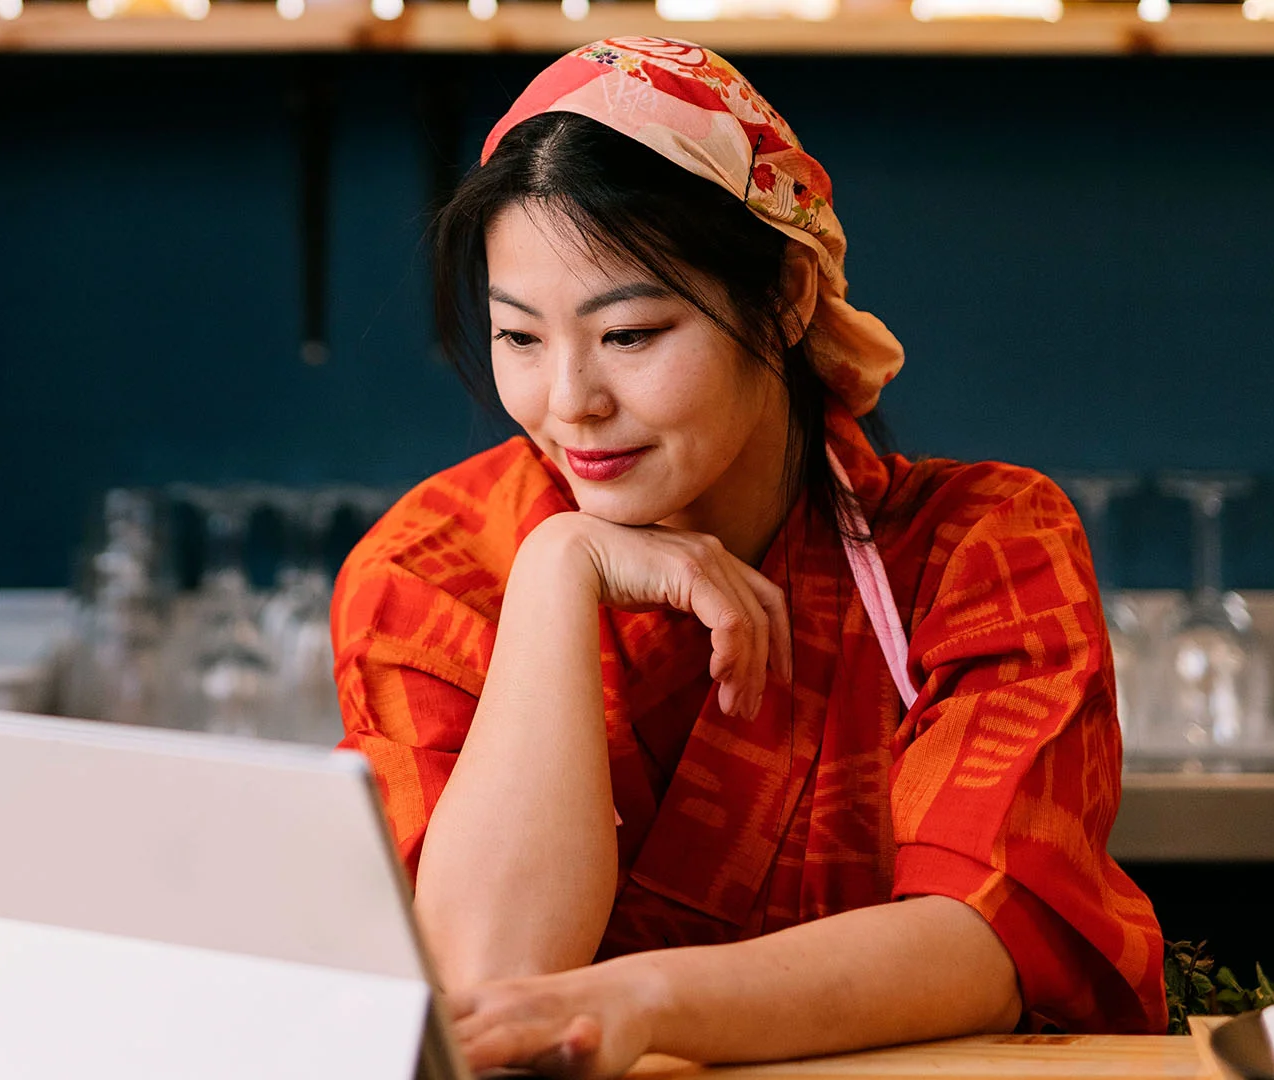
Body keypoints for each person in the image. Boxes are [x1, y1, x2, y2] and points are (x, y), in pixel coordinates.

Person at [330, 37, 1165, 1078]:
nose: (570, 403)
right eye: (520, 339)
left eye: (629, 333)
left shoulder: (984, 545)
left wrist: (638, 1000)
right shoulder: (432, 568)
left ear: (784, 298)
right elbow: (482, 981)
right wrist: (559, 569)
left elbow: (989, 934)